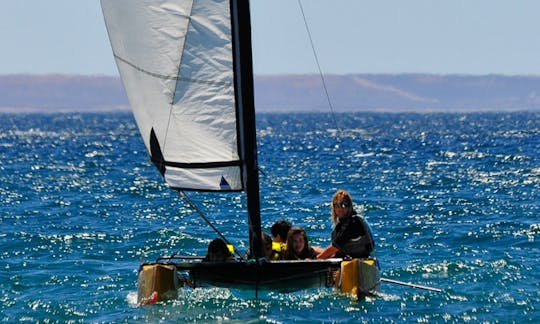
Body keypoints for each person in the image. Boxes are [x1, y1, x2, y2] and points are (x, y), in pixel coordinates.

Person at [317, 189, 375, 259]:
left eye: (344, 205)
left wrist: (314, 261)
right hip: (346, 256)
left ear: (349, 206)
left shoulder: (353, 224)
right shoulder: (342, 223)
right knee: (314, 249)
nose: (340, 208)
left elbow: (333, 248)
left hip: (357, 260)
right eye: (337, 205)